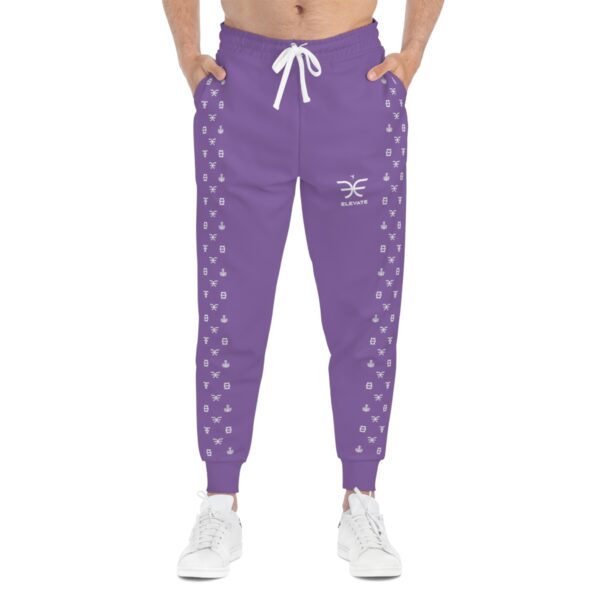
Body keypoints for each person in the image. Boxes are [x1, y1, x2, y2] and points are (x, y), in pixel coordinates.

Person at [162, 0, 443, 579]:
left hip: (354, 79)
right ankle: (219, 501)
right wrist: (188, 54)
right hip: (242, 82)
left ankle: (361, 499)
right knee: (229, 303)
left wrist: (413, 52)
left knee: (363, 304)